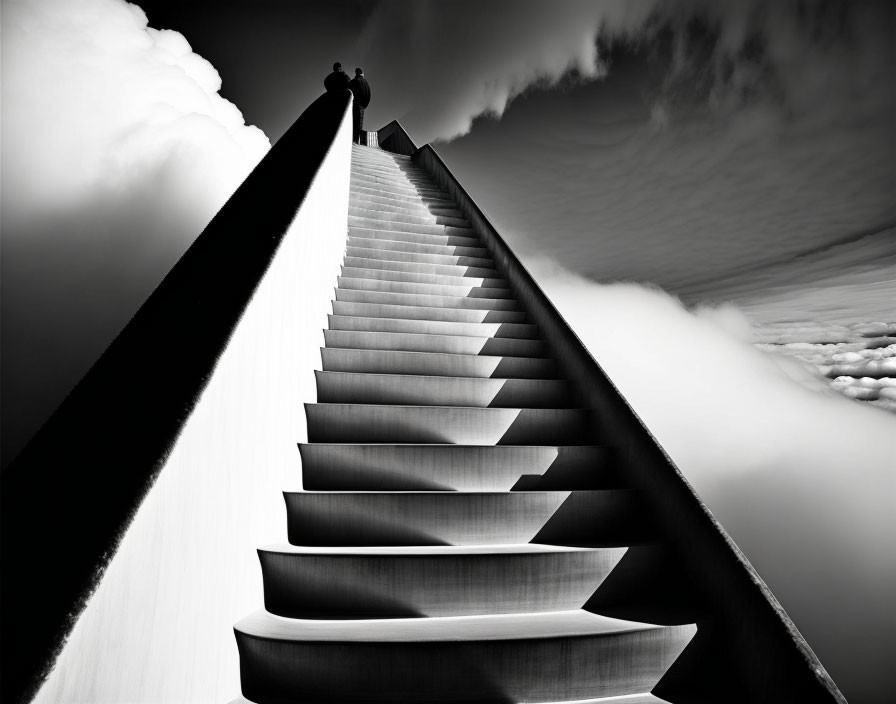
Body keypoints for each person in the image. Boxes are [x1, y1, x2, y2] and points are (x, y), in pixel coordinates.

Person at [348, 67, 371, 144]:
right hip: (362, 106)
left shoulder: (355, 81)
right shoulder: (366, 83)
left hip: (356, 104)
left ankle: (354, 141)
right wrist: (364, 105)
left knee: (354, 123)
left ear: (357, 73)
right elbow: (368, 95)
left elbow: (348, 88)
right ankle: (356, 140)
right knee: (359, 123)